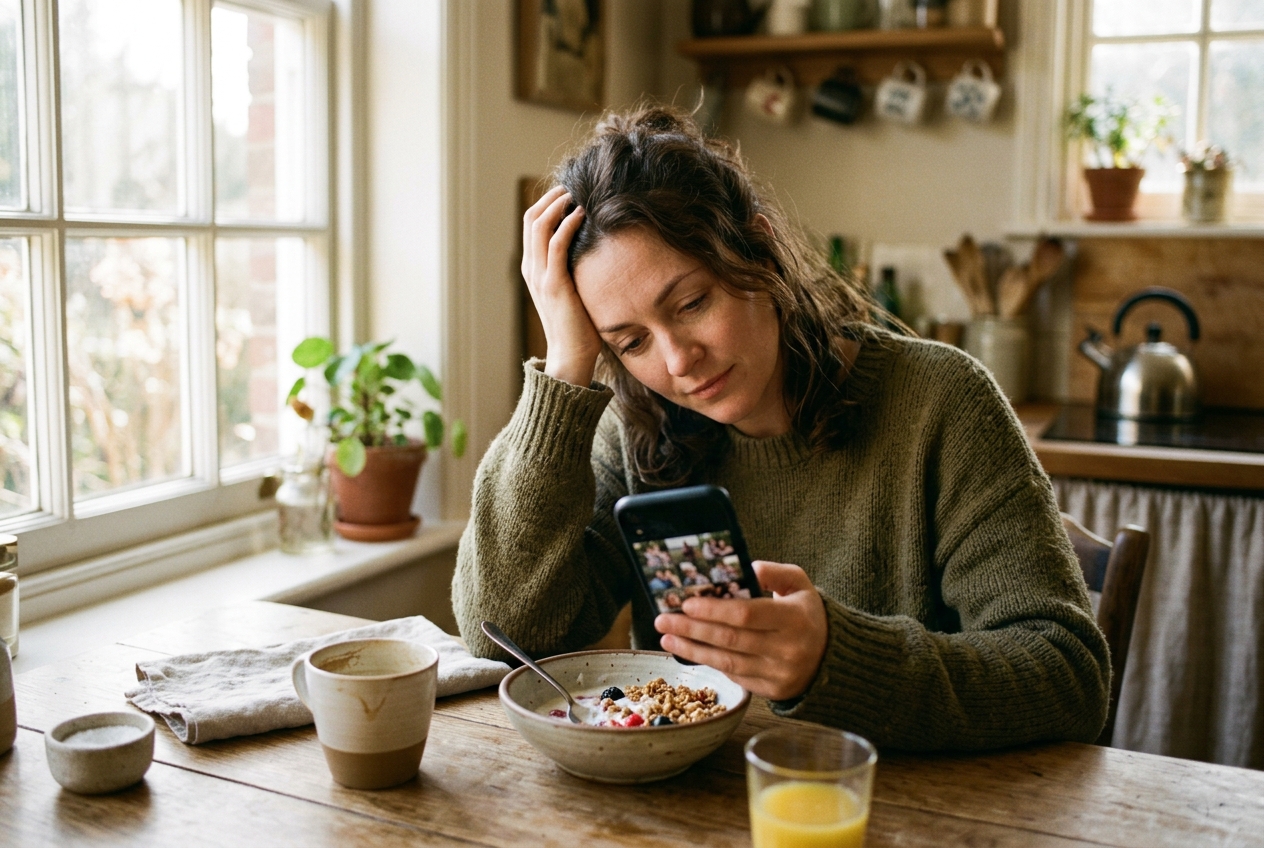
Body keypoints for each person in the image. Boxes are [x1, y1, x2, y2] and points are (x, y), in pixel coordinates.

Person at [453, 104, 1110, 751]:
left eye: (691, 303)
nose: (678, 361)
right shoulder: (631, 426)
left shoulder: (939, 402)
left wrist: (834, 659)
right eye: (629, 342)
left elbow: (1067, 677)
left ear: (761, 253)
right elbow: (503, 632)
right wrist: (567, 367)